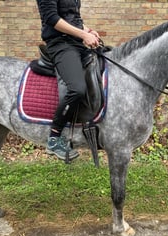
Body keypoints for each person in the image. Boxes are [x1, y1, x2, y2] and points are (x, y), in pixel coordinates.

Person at [36, 0, 100, 161]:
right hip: (60, 44)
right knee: (77, 88)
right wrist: (83, 34)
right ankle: (54, 138)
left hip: (76, 43)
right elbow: (52, 18)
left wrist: (89, 31)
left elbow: (74, 19)